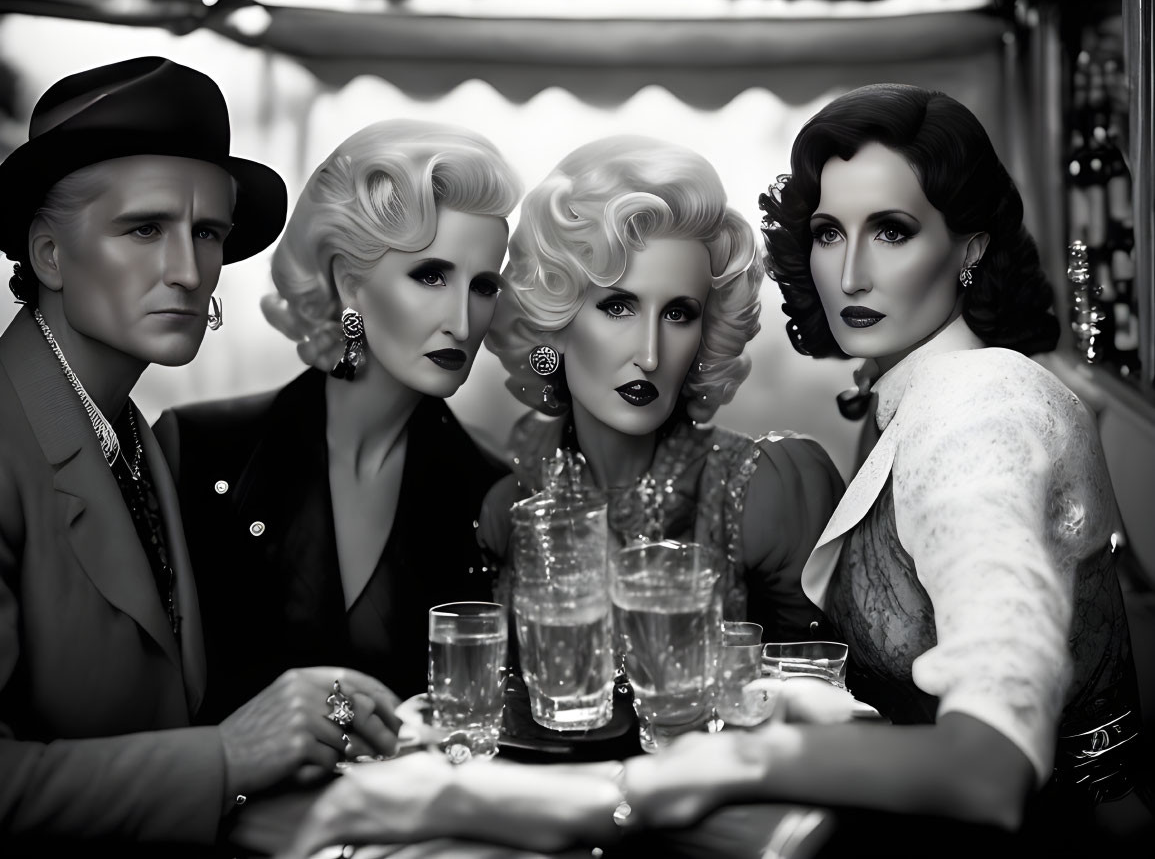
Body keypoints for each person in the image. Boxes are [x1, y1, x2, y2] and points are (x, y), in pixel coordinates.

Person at [278, 86, 1150, 859]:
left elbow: (981, 753)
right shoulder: (507, 496)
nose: (850, 272)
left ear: (968, 250)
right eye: (826, 232)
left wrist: (696, 765)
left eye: (892, 229)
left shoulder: (974, 412)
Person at [0, 57, 404, 857]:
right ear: (48, 256)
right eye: (143, 228)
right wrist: (225, 758)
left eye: (207, 233)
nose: (188, 272)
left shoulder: (136, 435)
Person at [154, 119, 522, 722]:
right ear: (350, 283)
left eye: (483, 286)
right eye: (430, 275)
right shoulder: (198, 449)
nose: (462, 318)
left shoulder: (492, 491)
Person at [478, 135, 844, 644]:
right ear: (553, 323)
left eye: (678, 314)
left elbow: (824, 696)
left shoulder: (768, 493)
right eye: (618, 307)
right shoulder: (511, 505)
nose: (650, 354)